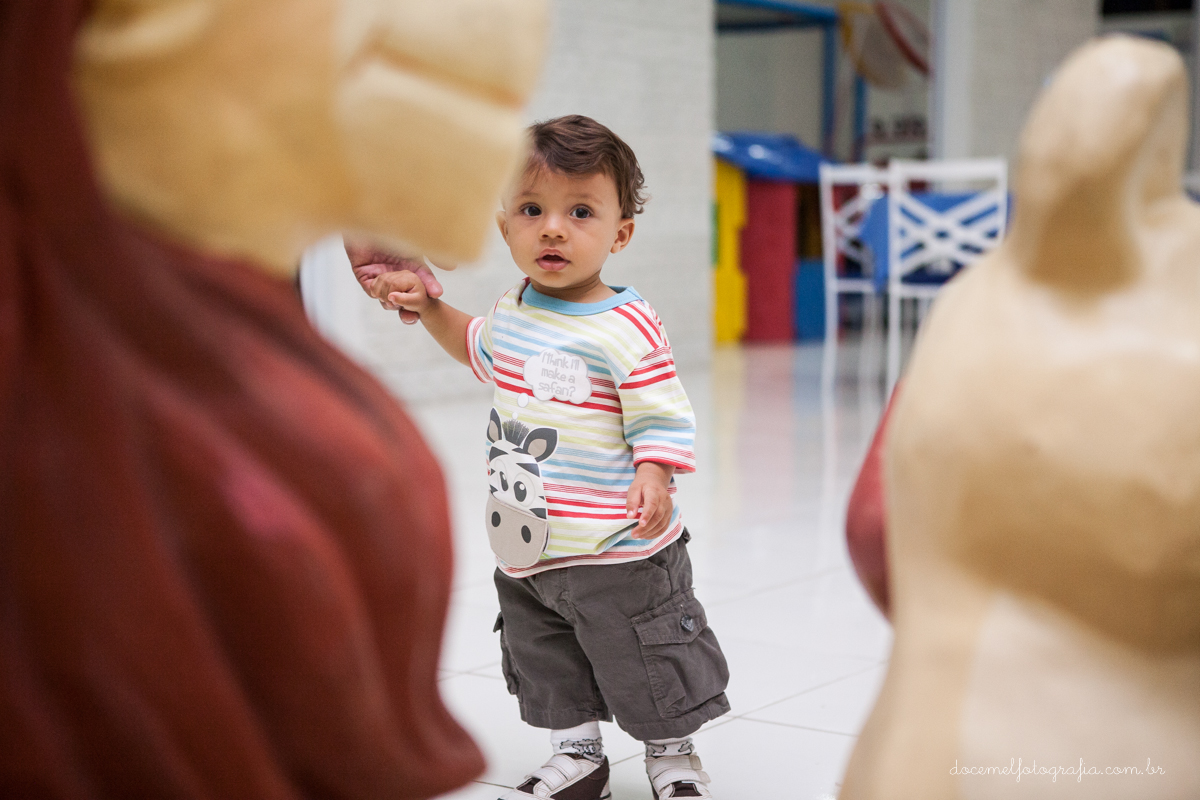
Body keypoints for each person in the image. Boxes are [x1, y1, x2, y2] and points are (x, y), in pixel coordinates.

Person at [367, 116, 730, 800]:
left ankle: (671, 754)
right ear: (505, 226)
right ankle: (579, 752)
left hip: (618, 545)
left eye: (580, 212)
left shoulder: (625, 326)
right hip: (528, 541)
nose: (553, 230)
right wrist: (430, 308)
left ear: (620, 234)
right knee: (544, 653)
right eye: (532, 210)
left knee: (643, 653)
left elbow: (660, 410)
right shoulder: (513, 308)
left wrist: (654, 473)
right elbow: (479, 347)